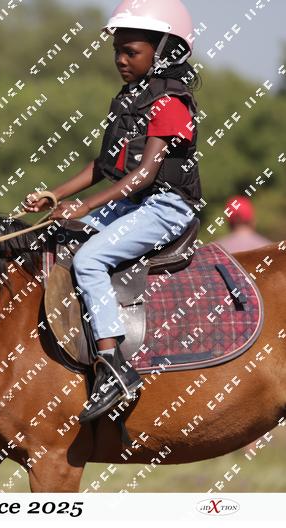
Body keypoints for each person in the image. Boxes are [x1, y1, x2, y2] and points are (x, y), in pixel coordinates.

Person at [23, 0, 202, 423]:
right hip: (131, 202)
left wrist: (84, 205)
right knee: (56, 237)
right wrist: (55, 195)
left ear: (164, 51)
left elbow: (145, 173)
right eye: (117, 51)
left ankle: (113, 364)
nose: (120, 59)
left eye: (131, 51)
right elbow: (104, 166)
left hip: (166, 206)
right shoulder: (128, 99)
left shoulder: (170, 103)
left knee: (89, 259)